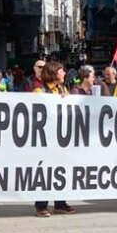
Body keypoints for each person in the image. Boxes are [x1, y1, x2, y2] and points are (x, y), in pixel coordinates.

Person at [32, 62, 75, 218]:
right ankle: (41, 205)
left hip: (61, 138)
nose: (64, 74)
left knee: (61, 170)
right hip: (45, 139)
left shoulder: (63, 89)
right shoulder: (39, 91)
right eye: (62, 71)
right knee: (44, 171)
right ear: (54, 73)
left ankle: (60, 203)